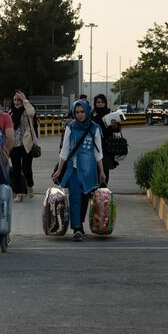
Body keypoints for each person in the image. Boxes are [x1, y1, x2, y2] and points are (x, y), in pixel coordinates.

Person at [51, 99, 105, 242]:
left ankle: (79, 223)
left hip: (89, 170)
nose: (80, 115)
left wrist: (102, 171)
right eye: (77, 112)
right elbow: (64, 151)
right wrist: (59, 169)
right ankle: (77, 228)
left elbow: (98, 152)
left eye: (82, 112)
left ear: (87, 111)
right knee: (75, 197)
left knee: (84, 198)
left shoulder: (95, 128)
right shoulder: (71, 128)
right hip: (73, 170)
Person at [9, 89, 37, 202]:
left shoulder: (27, 110)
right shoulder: (10, 112)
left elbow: (32, 113)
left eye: (18, 100)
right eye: (15, 100)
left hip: (26, 144)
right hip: (14, 144)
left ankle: (30, 186)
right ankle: (19, 193)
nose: (16, 102)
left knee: (26, 168)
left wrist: (25, 100)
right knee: (16, 169)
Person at [91, 94, 120, 184]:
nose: (100, 104)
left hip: (106, 145)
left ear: (105, 103)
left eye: (102, 102)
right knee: (94, 168)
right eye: (98, 102)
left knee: (105, 167)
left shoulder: (110, 112)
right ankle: (94, 190)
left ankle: (103, 190)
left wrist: (114, 125)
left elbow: (117, 129)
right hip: (93, 144)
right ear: (95, 103)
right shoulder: (91, 113)